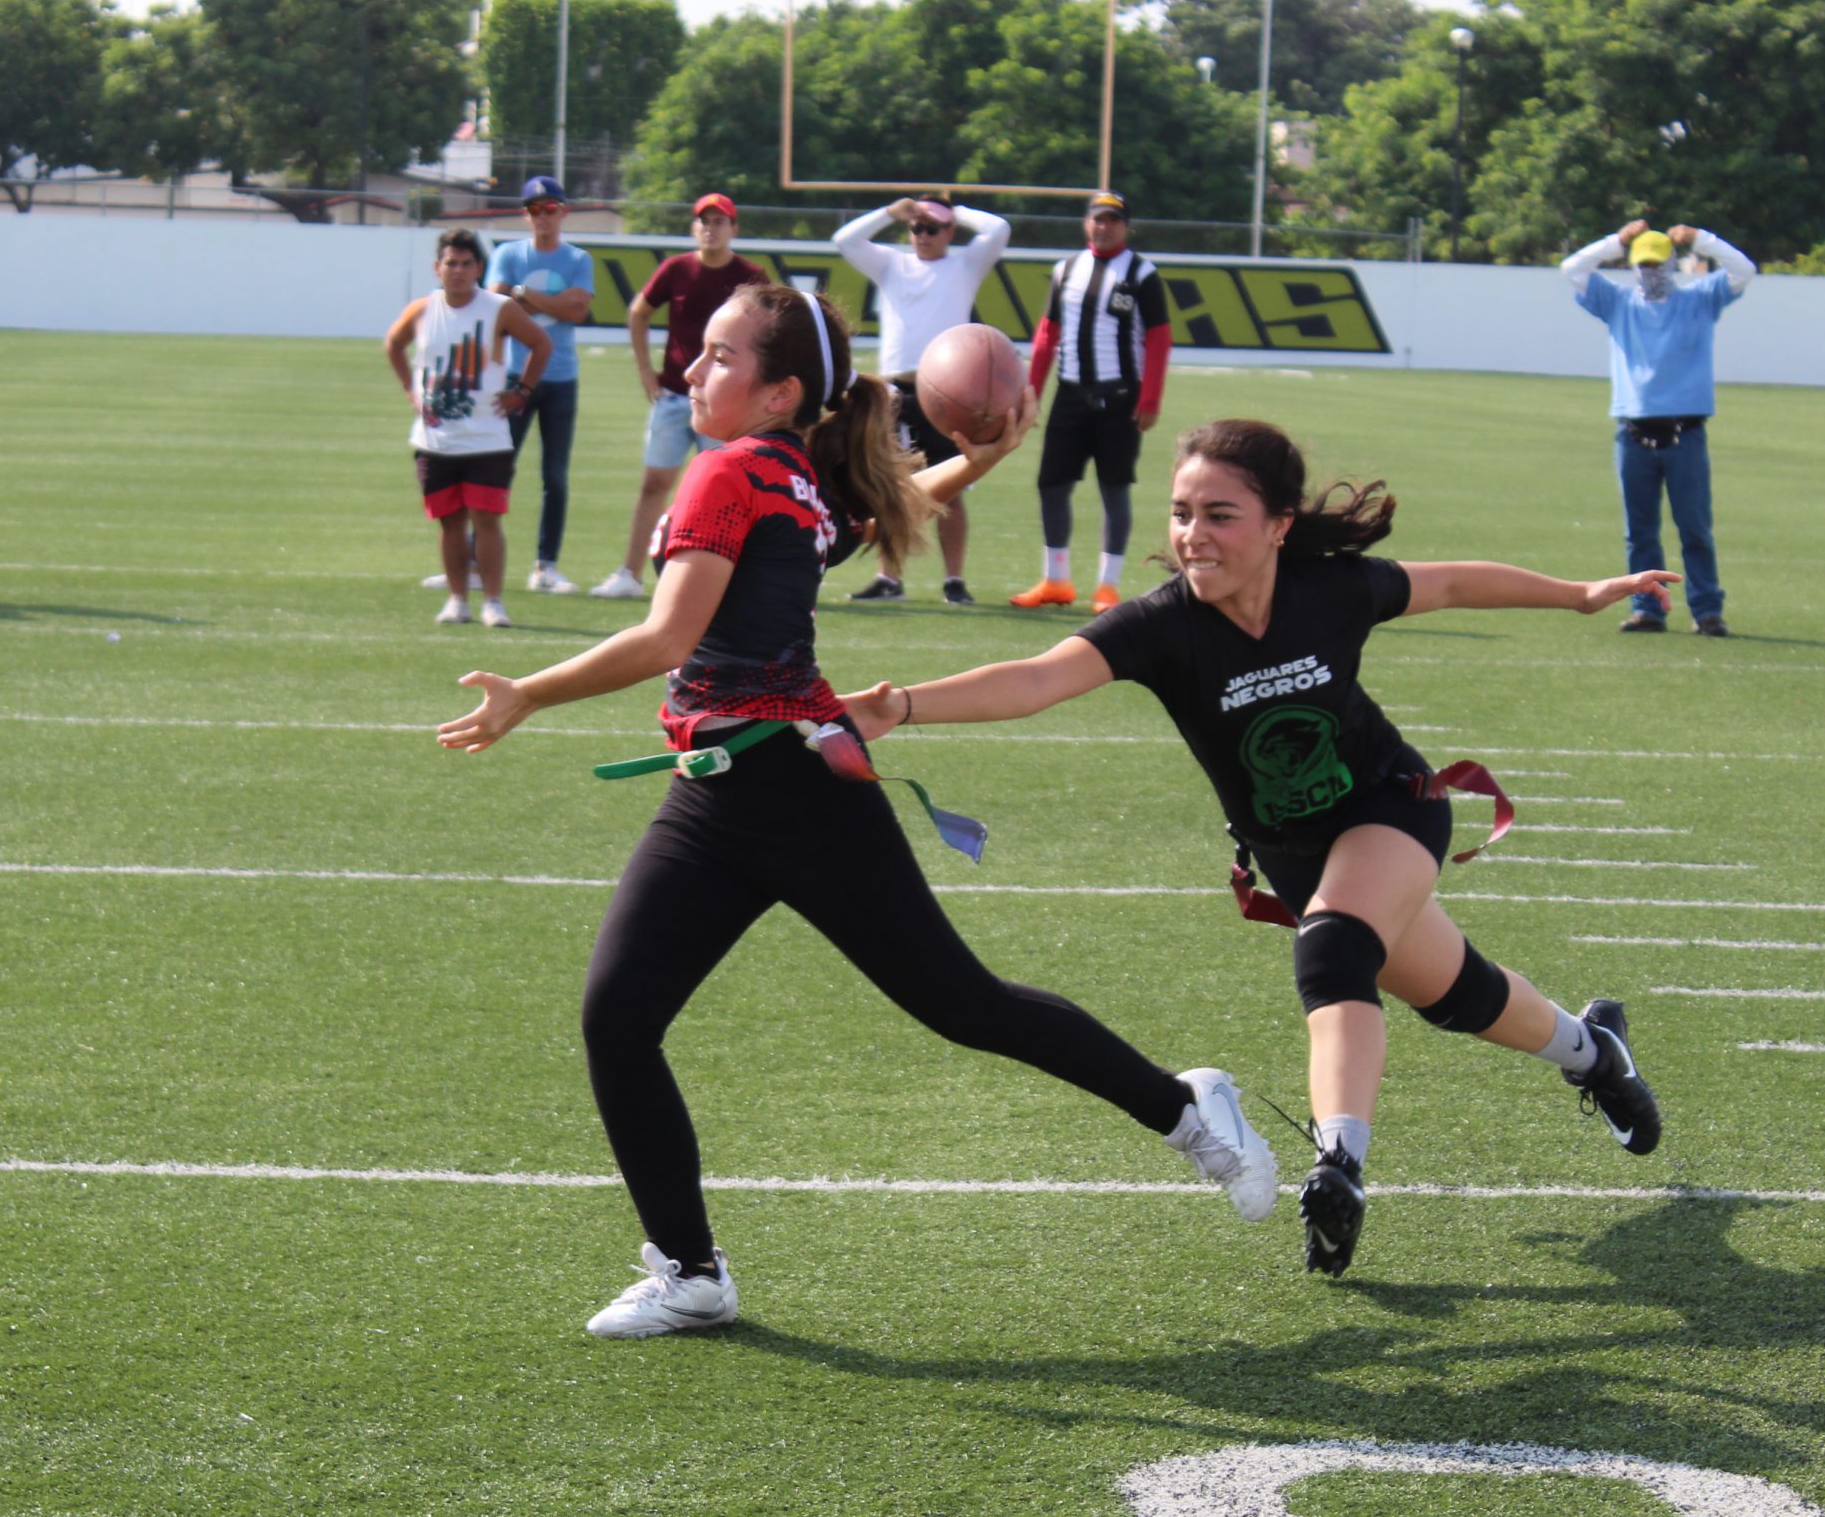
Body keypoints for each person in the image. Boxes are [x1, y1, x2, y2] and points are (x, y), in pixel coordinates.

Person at [436, 285, 1275, 1338]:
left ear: (782, 390)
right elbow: (892, 509)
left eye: (718, 357)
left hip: (792, 792)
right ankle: (690, 1272)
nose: (692, 371)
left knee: (964, 1005)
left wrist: (526, 695)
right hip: (719, 798)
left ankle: (1186, 1109)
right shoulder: (783, 469)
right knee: (619, 1018)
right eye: (696, 355)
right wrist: (983, 461)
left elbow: (663, 637)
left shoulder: (738, 469)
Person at [846, 418, 1670, 1278]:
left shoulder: (1333, 589)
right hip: (1294, 852)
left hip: (1395, 805)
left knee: (1334, 952)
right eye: (1181, 513)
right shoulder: (1160, 627)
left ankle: (1339, 1166)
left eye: (1221, 514)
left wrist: (1579, 594)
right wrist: (897, 704)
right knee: (1462, 996)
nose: (1193, 534)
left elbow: (1457, 580)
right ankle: (1592, 1050)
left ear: (1279, 523)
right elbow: (1037, 678)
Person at [1562, 218, 1755, 637]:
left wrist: (1701, 240)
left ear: (1672, 264)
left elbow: (1744, 271)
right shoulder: (1619, 304)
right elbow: (1572, 269)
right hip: (1633, 432)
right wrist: (1617, 240)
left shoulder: (1699, 300)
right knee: (1640, 531)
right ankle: (1648, 607)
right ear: (1633, 266)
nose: (1651, 272)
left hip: (1685, 432)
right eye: (1643, 264)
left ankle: (1707, 610)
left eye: (1658, 264)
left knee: (1695, 528)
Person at [831, 194, 1012, 605]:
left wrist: (955, 211)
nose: (923, 235)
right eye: (917, 227)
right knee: (892, 486)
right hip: (895, 389)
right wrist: (892, 212)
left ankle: (954, 580)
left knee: (953, 486)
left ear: (949, 231)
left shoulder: (964, 264)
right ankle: (889, 578)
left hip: (948, 394)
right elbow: (845, 240)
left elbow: (999, 229)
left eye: (933, 227)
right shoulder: (893, 264)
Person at [591, 192, 763, 600]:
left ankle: (734, 580)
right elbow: (639, 312)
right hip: (673, 395)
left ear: (733, 229)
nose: (711, 228)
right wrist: (645, 370)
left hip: (724, 401)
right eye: (704, 221)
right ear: (694, 227)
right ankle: (629, 573)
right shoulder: (676, 268)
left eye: (720, 221)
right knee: (655, 483)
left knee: (729, 491)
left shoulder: (750, 276)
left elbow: (770, 329)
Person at [1010, 191, 1169, 616]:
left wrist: (1151, 398)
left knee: (1114, 488)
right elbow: (1047, 335)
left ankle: (1108, 586)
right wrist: (1030, 394)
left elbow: (1159, 338)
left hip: (1120, 396)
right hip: (1071, 393)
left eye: (1113, 220)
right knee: (1052, 484)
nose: (1105, 227)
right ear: (1086, 224)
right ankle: (1056, 579)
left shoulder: (1142, 273)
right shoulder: (1066, 269)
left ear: (1126, 226)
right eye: (1098, 219)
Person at [385, 228, 552, 628]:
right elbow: (393, 343)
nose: (458, 271)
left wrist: (523, 390)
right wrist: (410, 388)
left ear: (479, 267)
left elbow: (541, 343)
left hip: (486, 437)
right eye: (450, 263)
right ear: (437, 267)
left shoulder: (499, 308)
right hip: (435, 439)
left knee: (487, 520)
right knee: (450, 522)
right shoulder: (423, 310)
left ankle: (493, 600)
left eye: (466, 263)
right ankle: (457, 599)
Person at [492, 175, 593, 596]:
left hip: (561, 377)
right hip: (515, 376)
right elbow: (497, 302)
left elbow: (578, 310)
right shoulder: (507, 253)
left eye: (550, 208)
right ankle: (477, 560)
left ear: (563, 212)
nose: (543, 217)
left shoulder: (578, 258)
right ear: (526, 214)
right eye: (535, 209)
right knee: (496, 470)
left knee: (555, 476)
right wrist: (545, 300)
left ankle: (546, 565)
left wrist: (525, 296)